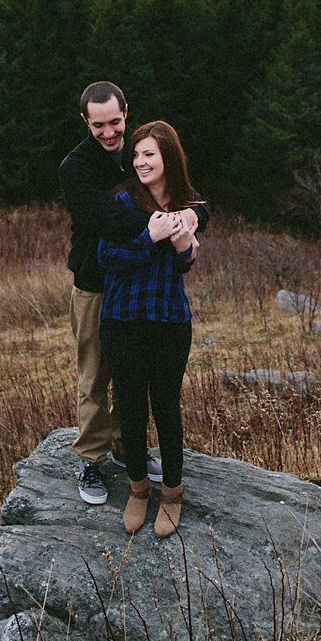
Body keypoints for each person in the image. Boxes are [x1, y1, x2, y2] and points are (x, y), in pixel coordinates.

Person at [58, 82, 202, 506]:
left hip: (138, 287)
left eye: (115, 122)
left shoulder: (139, 150)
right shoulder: (76, 168)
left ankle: (127, 450)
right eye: (98, 125)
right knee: (94, 374)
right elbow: (105, 220)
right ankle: (91, 458)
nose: (108, 133)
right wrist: (158, 226)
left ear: (126, 114)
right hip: (95, 283)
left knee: (131, 377)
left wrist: (193, 216)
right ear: (86, 122)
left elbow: (186, 189)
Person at [97, 120, 202, 538]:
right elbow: (107, 258)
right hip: (123, 318)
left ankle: (172, 493)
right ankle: (138, 489)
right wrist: (150, 236)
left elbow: (184, 264)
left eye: (149, 155)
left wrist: (182, 247)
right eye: (136, 154)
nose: (139, 161)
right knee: (132, 408)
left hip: (169, 319)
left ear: (168, 159)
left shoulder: (188, 204)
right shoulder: (121, 201)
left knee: (167, 407)